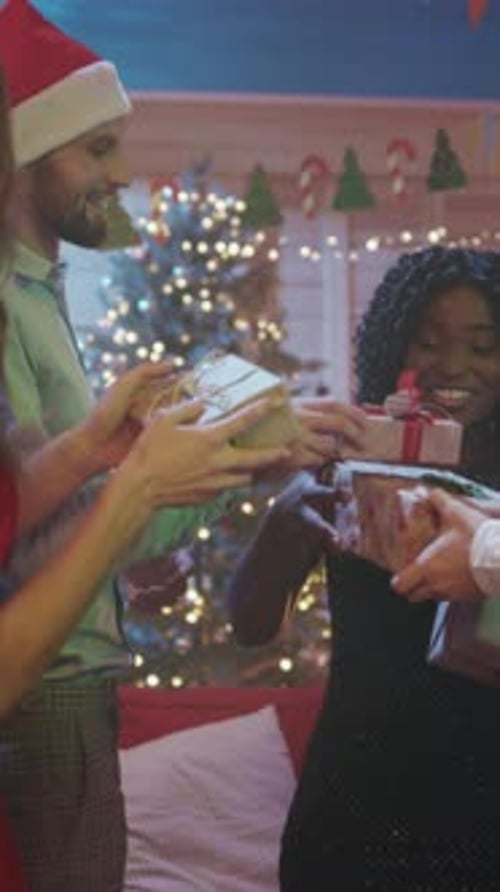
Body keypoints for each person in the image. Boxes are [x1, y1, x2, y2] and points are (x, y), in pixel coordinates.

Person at [0, 3, 366, 889]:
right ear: (26, 155)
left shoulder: (44, 297)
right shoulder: (11, 306)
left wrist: (258, 446)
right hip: (45, 686)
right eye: (97, 149)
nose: (122, 174)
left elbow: (52, 503)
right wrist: (230, 462)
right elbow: (27, 524)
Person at [229, 246, 500, 890]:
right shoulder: (350, 458)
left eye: (484, 344)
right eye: (427, 341)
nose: (455, 366)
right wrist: (285, 519)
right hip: (358, 801)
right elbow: (249, 622)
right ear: (392, 345)